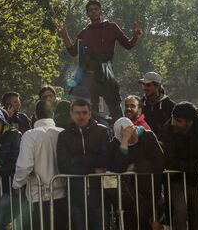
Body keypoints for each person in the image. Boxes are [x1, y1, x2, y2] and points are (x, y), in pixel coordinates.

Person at [58, 0, 143, 119]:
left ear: (101, 11)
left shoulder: (111, 27)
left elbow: (128, 45)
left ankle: (120, 130)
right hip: (89, 74)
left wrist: (135, 36)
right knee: (90, 108)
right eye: (90, 10)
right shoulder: (85, 32)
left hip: (105, 70)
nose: (93, 12)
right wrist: (65, 37)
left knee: (115, 106)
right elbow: (73, 52)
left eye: (95, 9)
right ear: (87, 14)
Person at [12, 101, 68, 229]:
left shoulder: (30, 135)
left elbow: (24, 166)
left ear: (35, 115)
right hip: (62, 194)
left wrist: (17, 184)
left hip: (39, 196)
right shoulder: (62, 132)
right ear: (52, 114)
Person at [57, 99, 110, 230]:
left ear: (90, 113)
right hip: (75, 194)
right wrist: (92, 169)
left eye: (84, 112)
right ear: (71, 114)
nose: (81, 116)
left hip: (99, 194)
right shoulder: (64, 135)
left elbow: (105, 160)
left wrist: (77, 159)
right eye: (77, 113)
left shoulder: (102, 131)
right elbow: (64, 166)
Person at [160, 102, 198, 230]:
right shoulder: (168, 129)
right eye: (173, 119)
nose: (174, 123)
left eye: (178, 121)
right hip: (177, 181)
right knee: (179, 213)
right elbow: (169, 161)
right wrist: (197, 167)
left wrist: (192, 166)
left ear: (190, 122)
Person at [108, 117, 165, 230]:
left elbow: (159, 162)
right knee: (130, 223)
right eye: (127, 134)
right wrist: (124, 142)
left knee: (146, 223)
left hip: (150, 190)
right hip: (128, 194)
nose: (132, 136)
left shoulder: (147, 136)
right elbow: (118, 168)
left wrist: (136, 167)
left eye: (132, 131)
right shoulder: (117, 143)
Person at [140, 72, 175, 139]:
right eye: (143, 85)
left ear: (157, 86)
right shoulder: (139, 105)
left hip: (164, 147)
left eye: (148, 85)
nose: (144, 88)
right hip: (144, 146)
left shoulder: (169, 105)